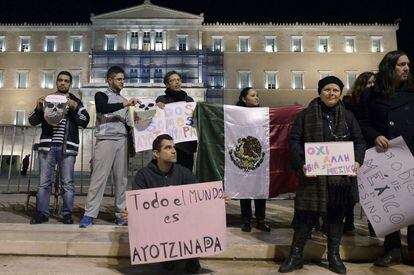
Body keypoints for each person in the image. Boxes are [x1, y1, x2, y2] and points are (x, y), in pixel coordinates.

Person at [279, 76, 365, 274]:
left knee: (336, 218)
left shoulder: (349, 116)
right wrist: (301, 164)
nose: (331, 94)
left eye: (336, 90)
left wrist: (357, 160)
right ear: (320, 91)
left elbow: (359, 141)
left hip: (339, 180)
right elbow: (294, 141)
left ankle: (334, 256)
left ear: (340, 93)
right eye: (327, 89)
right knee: (304, 217)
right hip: (312, 178)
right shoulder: (305, 115)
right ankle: (296, 255)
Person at [358, 50, 414, 267]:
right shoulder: (371, 94)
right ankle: (392, 250)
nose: (407, 68)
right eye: (401, 65)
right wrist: (375, 135)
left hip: (411, 153)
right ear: (389, 68)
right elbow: (362, 122)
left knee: (412, 202)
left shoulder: (412, 90)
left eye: (408, 64)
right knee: (391, 204)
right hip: (385, 156)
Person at [126, 134, 202, 273]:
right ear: (156, 153)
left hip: (181, 225)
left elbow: (199, 199)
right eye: (168, 148)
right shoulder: (143, 175)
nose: (174, 151)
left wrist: (217, 200)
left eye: (174, 147)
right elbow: (137, 204)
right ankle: (167, 256)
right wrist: (131, 212)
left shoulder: (184, 173)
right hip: (158, 227)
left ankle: (192, 257)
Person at [79, 66, 140, 228]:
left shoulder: (124, 101)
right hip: (105, 140)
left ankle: (120, 213)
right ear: (110, 80)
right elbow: (102, 108)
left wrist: (138, 118)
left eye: (123, 79)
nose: (122, 82)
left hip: (122, 141)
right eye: (119, 79)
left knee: (122, 180)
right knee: (99, 178)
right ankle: (89, 214)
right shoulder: (101, 95)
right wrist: (126, 103)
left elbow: (128, 125)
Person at [28, 71, 90, 224]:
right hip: (47, 147)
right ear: (56, 82)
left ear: (70, 84)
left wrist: (75, 108)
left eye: (66, 81)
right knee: (44, 182)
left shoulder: (76, 101)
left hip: (67, 147)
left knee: (67, 183)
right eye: (60, 80)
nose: (63, 83)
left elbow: (85, 121)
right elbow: (32, 120)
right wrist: (38, 108)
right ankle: (42, 214)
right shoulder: (47, 100)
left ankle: (67, 214)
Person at [341, 71, 375, 234]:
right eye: (369, 83)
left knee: (373, 188)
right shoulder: (349, 102)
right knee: (350, 186)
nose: (372, 86)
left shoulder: (378, 101)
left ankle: (374, 223)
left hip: (372, 146)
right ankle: (348, 220)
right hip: (353, 146)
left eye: (374, 83)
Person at [235, 87, 271, 232]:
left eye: (257, 95)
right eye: (253, 95)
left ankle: (261, 220)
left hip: (259, 155)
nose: (256, 98)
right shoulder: (235, 114)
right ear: (244, 99)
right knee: (245, 188)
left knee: (259, 189)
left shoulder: (263, 114)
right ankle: (246, 220)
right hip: (243, 154)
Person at [156, 71, 197, 171]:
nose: (177, 82)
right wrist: (157, 107)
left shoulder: (189, 100)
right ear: (167, 84)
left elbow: (194, 119)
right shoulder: (162, 99)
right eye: (173, 80)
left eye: (178, 80)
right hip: (170, 144)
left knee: (186, 173)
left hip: (186, 145)